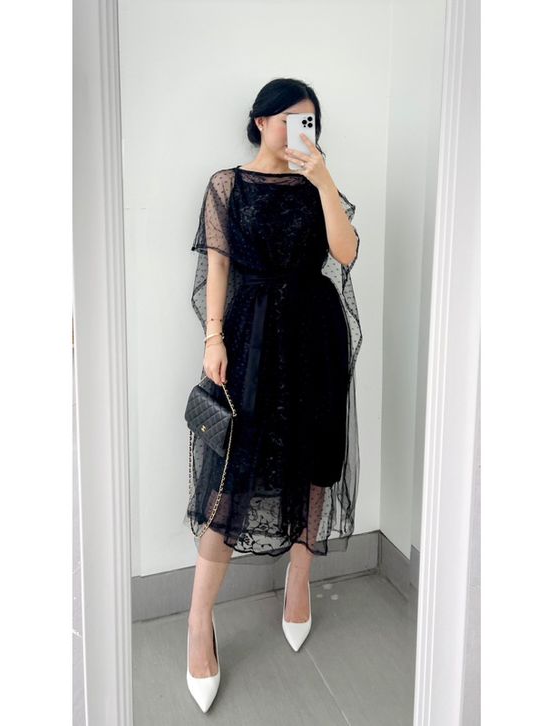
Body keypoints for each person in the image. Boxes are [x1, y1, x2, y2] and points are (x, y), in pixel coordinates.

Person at [184, 78, 363, 712]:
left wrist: (324, 181)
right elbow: (218, 267)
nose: (299, 131)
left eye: (309, 121)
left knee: (313, 460)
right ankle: (198, 622)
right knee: (232, 473)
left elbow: (346, 253)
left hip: (315, 335)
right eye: (289, 118)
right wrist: (213, 338)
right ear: (260, 121)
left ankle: (299, 581)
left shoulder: (319, 183)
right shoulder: (226, 185)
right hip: (251, 337)